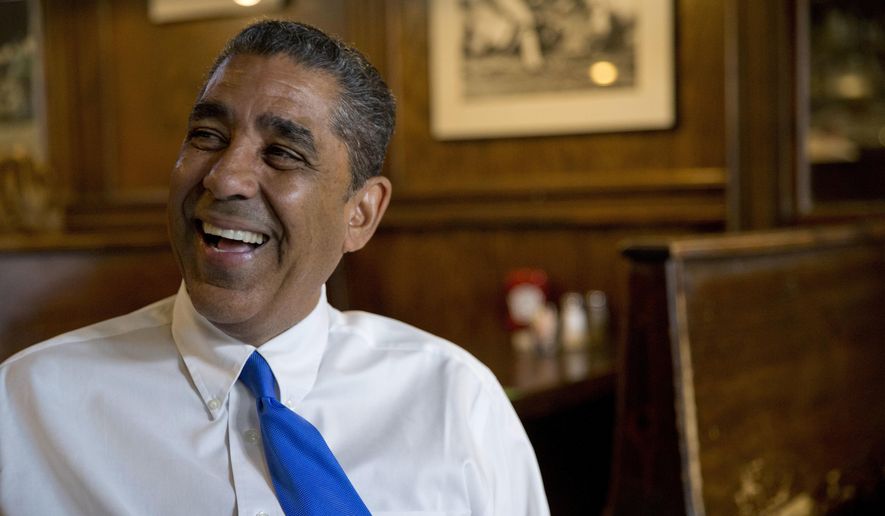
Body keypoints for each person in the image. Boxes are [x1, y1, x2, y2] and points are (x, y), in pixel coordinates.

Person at [0, 20, 549, 515]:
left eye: (283, 153)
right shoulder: (26, 407)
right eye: (207, 137)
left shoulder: (455, 403)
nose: (223, 177)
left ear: (360, 214)